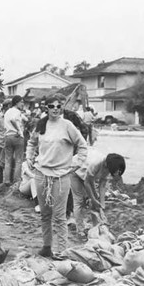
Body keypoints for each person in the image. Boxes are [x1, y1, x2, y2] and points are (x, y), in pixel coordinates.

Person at [26, 93, 87, 257]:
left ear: (62, 107)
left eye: (58, 106)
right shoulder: (41, 124)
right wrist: (29, 157)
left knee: (59, 216)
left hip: (61, 176)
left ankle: (62, 250)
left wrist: (76, 163)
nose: (55, 109)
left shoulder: (67, 125)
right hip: (41, 174)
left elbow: (82, 145)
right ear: (46, 108)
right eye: (51, 106)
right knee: (45, 214)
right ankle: (47, 246)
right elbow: (31, 142)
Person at [71, 149, 125, 240]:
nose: (117, 173)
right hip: (76, 172)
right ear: (111, 166)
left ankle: (96, 227)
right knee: (79, 201)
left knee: (95, 201)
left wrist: (101, 204)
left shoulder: (109, 167)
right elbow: (87, 182)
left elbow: (102, 185)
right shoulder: (96, 163)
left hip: (88, 176)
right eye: (117, 171)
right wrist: (93, 199)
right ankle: (80, 230)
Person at [4, 95, 25, 184]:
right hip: (17, 136)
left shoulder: (7, 111)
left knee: (8, 160)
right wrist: (19, 130)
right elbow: (13, 120)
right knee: (18, 159)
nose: (23, 104)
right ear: (17, 102)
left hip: (8, 136)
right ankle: (17, 180)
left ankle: (7, 180)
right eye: (21, 102)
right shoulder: (17, 111)